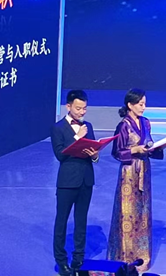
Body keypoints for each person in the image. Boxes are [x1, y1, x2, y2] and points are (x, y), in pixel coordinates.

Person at [108, 89, 165, 271]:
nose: (143, 107)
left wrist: (157, 147)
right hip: (129, 173)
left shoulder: (146, 123)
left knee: (143, 211)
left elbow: (149, 144)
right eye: (140, 104)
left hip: (144, 171)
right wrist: (134, 150)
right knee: (127, 212)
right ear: (130, 105)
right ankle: (126, 257)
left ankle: (142, 256)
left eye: (144, 103)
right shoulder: (123, 126)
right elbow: (117, 152)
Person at [51, 90, 100, 276]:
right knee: (61, 221)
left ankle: (78, 259)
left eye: (84, 108)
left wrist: (95, 156)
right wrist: (77, 137)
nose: (82, 112)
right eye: (78, 108)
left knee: (81, 220)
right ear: (68, 106)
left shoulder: (88, 126)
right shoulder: (58, 128)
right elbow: (60, 155)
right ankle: (61, 261)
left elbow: (93, 150)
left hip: (86, 180)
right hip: (67, 182)